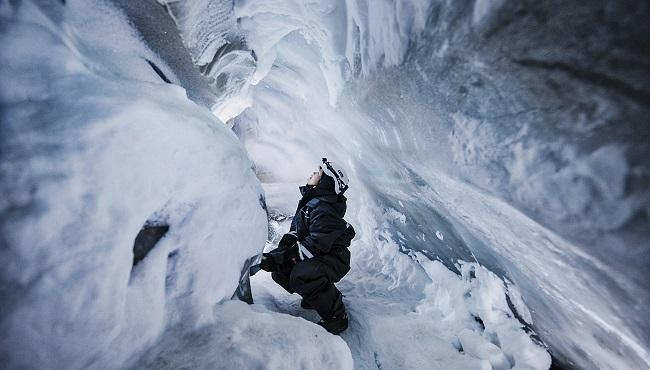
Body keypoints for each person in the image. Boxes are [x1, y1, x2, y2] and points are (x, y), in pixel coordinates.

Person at [260, 158, 355, 334]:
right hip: (322, 256)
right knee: (281, 273)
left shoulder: (324, 209)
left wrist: (280, 258)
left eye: (319, 173)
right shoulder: (312, 203)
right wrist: (280, 251)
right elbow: (298, 232)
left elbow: (315, 246)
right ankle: (316, 297)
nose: (313, 173)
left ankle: (337, 317)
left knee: (302, 275)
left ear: (327, 182)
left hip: (334, 259)